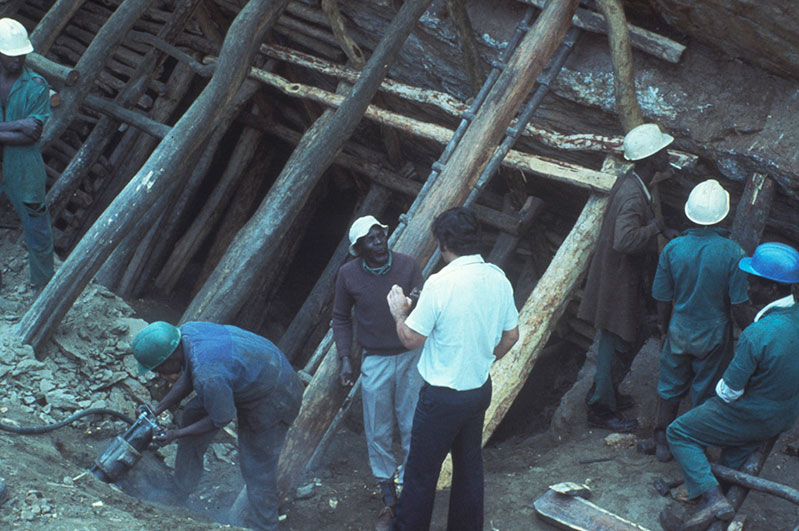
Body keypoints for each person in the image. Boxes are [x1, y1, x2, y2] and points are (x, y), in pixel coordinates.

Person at [386, 207, 519, 531]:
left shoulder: (440, 283)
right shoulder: (497, 278)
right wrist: (483, 358)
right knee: (469, 467)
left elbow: (411, 340)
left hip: (442, 397)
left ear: (444, 243)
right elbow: (511, 336)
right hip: (477, 390)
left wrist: (399, 313)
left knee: (420, 473)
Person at [666, 242, 799, 530]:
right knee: (735, 451)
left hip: (753, 414)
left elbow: (729, 392)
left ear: (773, 289)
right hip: (785, 413)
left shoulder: (757, 333)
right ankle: (715, 508)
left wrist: (720, 384)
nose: (748, 287)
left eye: (753, 282)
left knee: (679, 432)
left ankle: (713, 499)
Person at [132, 321, 303, 531]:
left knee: (256, 465)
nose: (159, 375)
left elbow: (221, 419)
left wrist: (176, 434)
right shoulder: (187, 334)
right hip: (254, 373)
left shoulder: (209, 374)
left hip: (275, 396)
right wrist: (157, 408)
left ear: (170, 357)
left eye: (158, 369)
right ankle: (182, 488)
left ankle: (265, 525)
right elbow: (190, 375)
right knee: (193, 414)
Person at [577, 123, 679, 432]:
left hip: (619, 281)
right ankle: (600, 409)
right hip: (619, 285)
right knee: (615, 345)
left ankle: (604, 395)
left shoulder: (631, 182)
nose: (667, 155)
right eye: (662, 151)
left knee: (625, 339)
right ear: (651, 159)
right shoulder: (635, 196)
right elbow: (624, 241)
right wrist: (656, 227)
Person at [331, 215, 424, 528]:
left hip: (411, 355)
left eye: (380, 234)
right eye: (370, 239)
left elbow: (426, 302)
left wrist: (411, 302)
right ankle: (388, 497)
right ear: (359, 247)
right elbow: (341, 318)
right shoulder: (348, 275)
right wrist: (346, 358)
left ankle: (409, 496)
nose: (378, 241)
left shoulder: (408, 265)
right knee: (378, 429)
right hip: (375, 359)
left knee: (412, 425)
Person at [650, 179, 751, 461]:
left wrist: (663, 327)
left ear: (689, 213)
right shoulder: (733, 253)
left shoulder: (673, 248)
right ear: (723, 214)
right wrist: (754, 332)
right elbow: (738, 304)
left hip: (679, 329)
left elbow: (661, 295)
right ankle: (694, 445)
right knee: (705, 392)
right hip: (714, 335)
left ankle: (662, 440)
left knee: (669, 386)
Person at [0, 18, 54, 290]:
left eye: (21, 54)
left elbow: (32, 134)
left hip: (25, 164)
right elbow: (23, 130)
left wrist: (22, 129)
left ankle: (42, 288)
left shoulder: (36, 85)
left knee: (37, 224)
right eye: (10, 55)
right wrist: (17, 125)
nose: (17, 60)